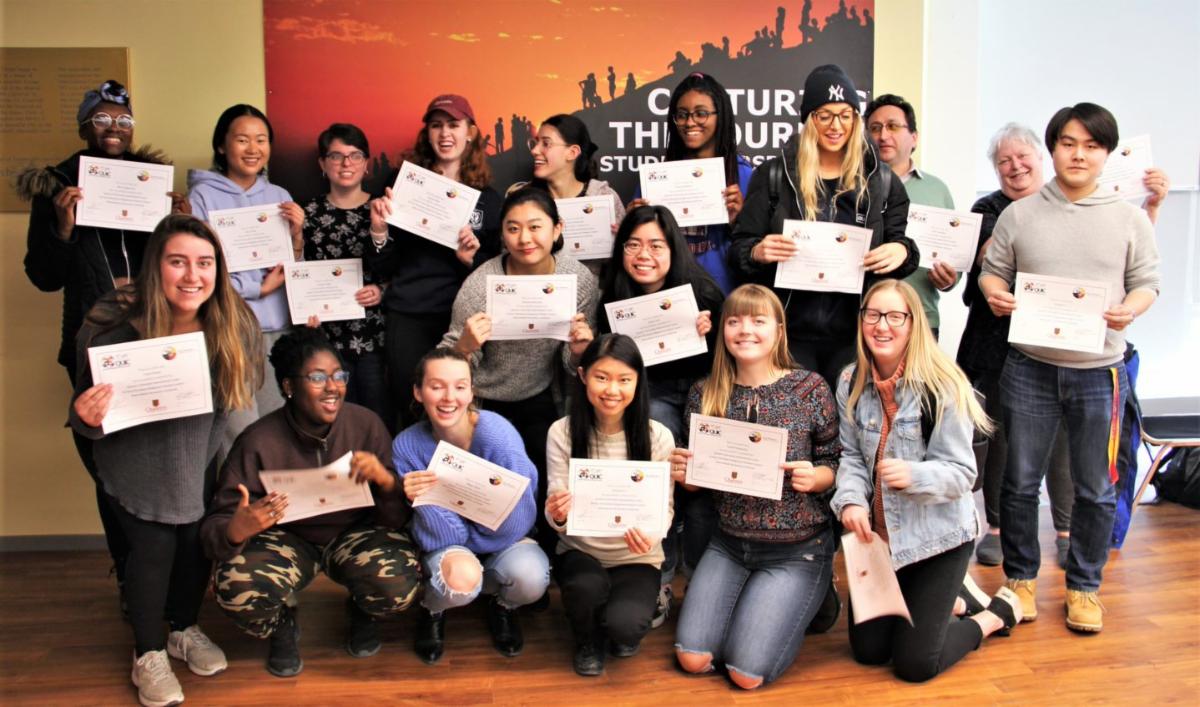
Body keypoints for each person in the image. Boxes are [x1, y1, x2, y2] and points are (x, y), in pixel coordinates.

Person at [979, 103, 1161, 633]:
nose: (1078, 154)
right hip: (1028, 367)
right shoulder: (1022, 213)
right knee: (1017, 482)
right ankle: (1020, 581)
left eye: (1091, 145)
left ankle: (1084, 587)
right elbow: (994, 273)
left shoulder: (1127, 217)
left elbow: (1148, 281)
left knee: (1095, 487)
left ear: (1106, 153)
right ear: (1052, 148)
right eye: (1068, 143)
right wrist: (996, 296)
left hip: (1100, 371)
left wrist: (1133, 307)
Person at [70, 214, 262, 707]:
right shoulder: (112, 324)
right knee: (152, 552)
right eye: (178, 262)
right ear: (156, 265)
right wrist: (87, 415)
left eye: (204, 263)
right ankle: (148, 651)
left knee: (194, 545)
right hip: (132, 462)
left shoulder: (232, 320)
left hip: (195, 455)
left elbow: (241, 393)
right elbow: (87, 417)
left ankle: (183, 628)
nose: (192, 275)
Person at [19, 79, 187, 612]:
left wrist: (175, 218)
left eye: (123, 120)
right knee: (110, 464)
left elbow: (173, 262)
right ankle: (130, 571)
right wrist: (64, 228)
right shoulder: (58, 189)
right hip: (95, 344)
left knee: (160, 455)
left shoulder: (148, 181)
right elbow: (43, 276)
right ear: (84, 125)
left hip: (154, 337)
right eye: (103, 119)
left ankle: (166, 573)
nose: (114, 129)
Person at [830, 279, 1022, 683]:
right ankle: (946, 603)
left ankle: (992, 615)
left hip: (938, 539)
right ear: (861, 320)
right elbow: (849, 456)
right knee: (869, 653)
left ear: (914, 323)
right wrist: (850, 502)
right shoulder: (850, 380)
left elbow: (962, 474)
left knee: (915, 665)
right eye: (873, 315)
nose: (882, 326)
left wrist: (914, 475)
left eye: (895, 316)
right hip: (882, 543)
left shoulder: (943, 385)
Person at [202, 328, 419, 677]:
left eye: (338, 375)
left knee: (398, 584)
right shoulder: (258, 439)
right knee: (235, 589)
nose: (333, 387)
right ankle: (281, 625)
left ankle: (363, 610)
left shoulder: (365, 424)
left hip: (353, 533)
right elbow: (215, 527)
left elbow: (395, 522)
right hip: (287, 538)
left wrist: (386, 481)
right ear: (288, 386)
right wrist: (234, 530)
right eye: (318, 377)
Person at [672, 284, 840, 690]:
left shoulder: (809, 388)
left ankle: (818, 594)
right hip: (728, 544)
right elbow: (700, 483)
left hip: (796, 549)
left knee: (745, 674)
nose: (745, 330)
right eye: (734, 321)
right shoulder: (704, 392)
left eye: (758, 320)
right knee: (692, 659)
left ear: (779, 331)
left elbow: (835, 461)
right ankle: (757, 599)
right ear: (722, 331)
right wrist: (686, 476)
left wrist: (816, 477)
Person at [729, 64, 918, 389]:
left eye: (845, 115)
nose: (836, 126)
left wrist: (901, 251)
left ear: (856, 120)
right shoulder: (775, 176)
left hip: (856, 334)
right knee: (794, 428)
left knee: (850, 429)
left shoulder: (881, 180)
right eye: (824, 115)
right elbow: (739, 250)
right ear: (808, 119)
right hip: (789, 332)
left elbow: (903, 248)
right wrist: (758, 252)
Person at [440, 187, 598, 555]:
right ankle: (482, 557)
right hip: (484, 397)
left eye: (535, 227)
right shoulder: (481, 283)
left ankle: (538, 558)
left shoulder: (579, 280)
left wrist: (579, 352)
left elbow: (574, 364)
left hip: (544, 392)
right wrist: (465, 346)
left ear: (557, 229)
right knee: (486, 485)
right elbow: (446, 362)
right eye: (512, 229)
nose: (524, 238)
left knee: (542, 473)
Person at [597, 205, 724, 624]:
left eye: (656, 244)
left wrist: (713, 332)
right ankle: (662, 577)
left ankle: (706, 584)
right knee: (659, 484)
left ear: (674, 248)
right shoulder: (612, 296)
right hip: (647, 402)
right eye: (633, 244)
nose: (643, 254)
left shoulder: (702, 292)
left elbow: (733, 361)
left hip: (703, 397)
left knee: (701, 487)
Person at [394, 348, 548, 664]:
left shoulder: (497, 434)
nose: (449, 397)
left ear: (471, 391)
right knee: (461, 580)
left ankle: (503, 606)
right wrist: (419, 500)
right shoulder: (407, 446)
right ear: (418, 392)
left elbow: (519, 520)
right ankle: (433, 608)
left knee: (532, 579)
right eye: (436, 386)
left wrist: (471, 528)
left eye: (460, 386)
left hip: (506, 536)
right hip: (452, 543)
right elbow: (444, 538)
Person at [368, 94, 502, 430]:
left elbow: (499, 268)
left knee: (456, 411)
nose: (445, 133)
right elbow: (381, 267)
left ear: (470, 131)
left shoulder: (488, 197)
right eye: (437, 125)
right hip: (408, 313)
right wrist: (379, 230)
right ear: (427, 133)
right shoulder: (403, 185)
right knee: (409, 404)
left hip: (459, 317)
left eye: (454, 125)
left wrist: (471, 258)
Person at [545, 334, 675, 676]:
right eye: (602, 377)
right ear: (584, 375)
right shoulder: (562, 432)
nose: (612, 390)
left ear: (638, 382)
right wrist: (557, 514)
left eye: (624, 380)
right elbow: (554, 504)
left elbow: (666, 506)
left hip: (637, 553)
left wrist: (651, 535)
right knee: (584, 589)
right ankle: (587, 640)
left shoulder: (657, 435)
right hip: (581, 549)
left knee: (626, 627)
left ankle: (615, 616)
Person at [188, 104, 304, 446]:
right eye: (242, 139)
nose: (253, 149)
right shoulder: (202, 196)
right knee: (240, 432)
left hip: (277, 331)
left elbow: (293, 270)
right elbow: (199, 272)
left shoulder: (279, 196)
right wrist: (257, 287)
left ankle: (274, 500)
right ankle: (241, 499)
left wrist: (297, 238)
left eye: (261, 140)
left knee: (278, 427)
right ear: (222, 146)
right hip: (231, 329)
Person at [301, 123, 390, 426]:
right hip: (325, 337)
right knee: (332, 421)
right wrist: (303, 309)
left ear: (366, 163)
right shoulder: (308, 213)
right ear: (322, 164)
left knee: (376, 418)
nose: (346, 164)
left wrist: (382, 290)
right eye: (336, 156)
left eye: (354, 155)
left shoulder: (384, 210)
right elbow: (298, 270)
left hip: (372, 337)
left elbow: (399, 268)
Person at [631, 72, 753, 294]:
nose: (690, 122)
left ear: (720, 116)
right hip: (668, 293)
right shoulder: (657, 177)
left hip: (724, 293)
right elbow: (639, 245)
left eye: (701, 114)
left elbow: (755, 251)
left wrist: (738, 222)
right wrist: (634, 221)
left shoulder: (742, 175)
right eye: (682, 115)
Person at [865, 94, 958, 337]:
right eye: (875, 128)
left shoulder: (937, 190)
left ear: (914, 137)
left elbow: (954, 256)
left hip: (920, 319)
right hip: (865, 318)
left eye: (893, 126)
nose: (883, 135)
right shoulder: (851, 186)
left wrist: (949, 279)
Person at [517, 113, 626, 259]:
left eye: (546, 143)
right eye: (535, 143)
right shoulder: (523, 200)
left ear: (572, 152)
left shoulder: (604, 197)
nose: (535, 150)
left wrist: (625, 241)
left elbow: (626, 256)